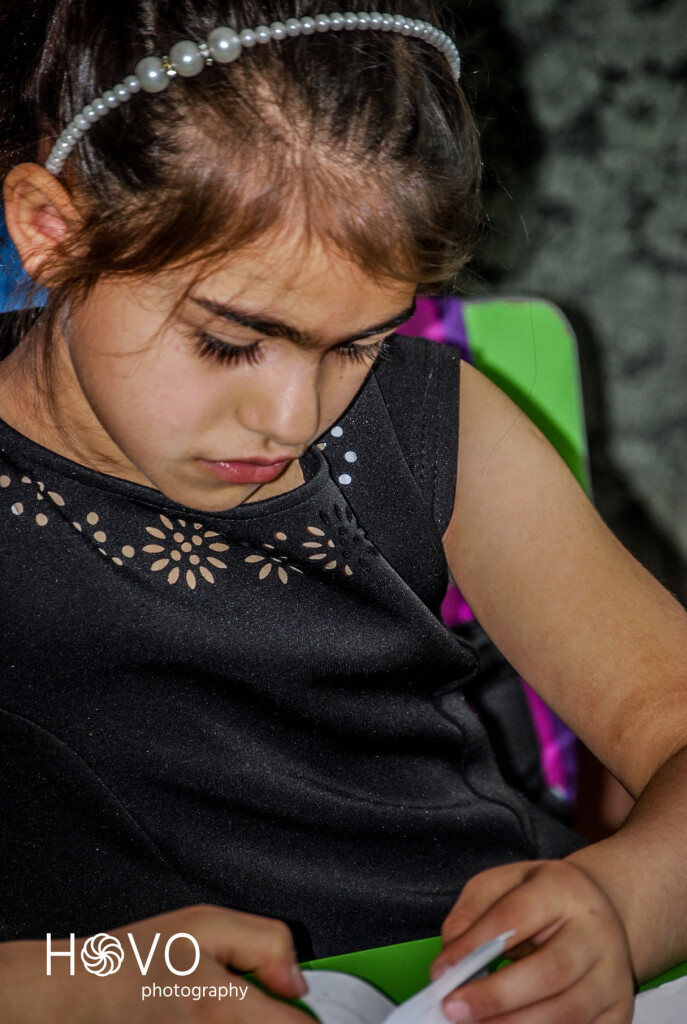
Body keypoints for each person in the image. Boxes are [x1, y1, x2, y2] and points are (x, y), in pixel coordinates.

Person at [0, 1, 686, 1022]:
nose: (292, 419)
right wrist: (67, 986)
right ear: (52, 232)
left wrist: (623, 906)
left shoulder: (427, 423)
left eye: (359, 344)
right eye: (232, 340)